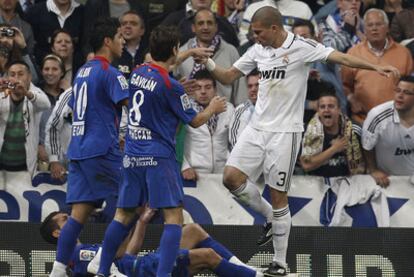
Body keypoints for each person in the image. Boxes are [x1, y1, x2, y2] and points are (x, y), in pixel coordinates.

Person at [197, 6, 399, 276]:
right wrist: (207, 61)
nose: (254, 36)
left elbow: (340, 57)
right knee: (231, 178)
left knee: (280, 195)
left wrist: (375, 66)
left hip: (285, 133)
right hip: (257, 129)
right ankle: (269, 217)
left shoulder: (302, 47)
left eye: (258, 32)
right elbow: (227, 76)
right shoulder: (258, 50)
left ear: (274, 28)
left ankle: (279, 263)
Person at [95, 25, 227, 277]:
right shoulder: (172, 85)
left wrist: (189, 53)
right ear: (174, 49)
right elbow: (196, 121)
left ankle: (102, 271)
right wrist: (212, 107)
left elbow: (162, 65)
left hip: (132, 154)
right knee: (173, 217)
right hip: (158, 156)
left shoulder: (138, 72)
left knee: (123, 215)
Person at [48, 18, 129, 277]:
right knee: (130, 205)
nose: (123, 40)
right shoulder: (110, 72)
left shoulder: (83, 71)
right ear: (107, 41)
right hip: (102, 148)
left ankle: (58, 270)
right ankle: (103, 262)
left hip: (79, 150)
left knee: (78, 214)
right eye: (118, 36)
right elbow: (134, 105)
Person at [40, 208, 264, 277]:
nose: (71, 218)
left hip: (142, 263)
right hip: (145, 272)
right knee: (208, 256)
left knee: (193, 230)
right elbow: (118, 254)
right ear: (58, 234)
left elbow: (127, 253)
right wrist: (125, 219)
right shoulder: (76, 256)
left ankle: (245, 268)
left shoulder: (85, 249)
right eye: (64, 219)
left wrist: (141, 221)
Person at [342, 8, 413, 124]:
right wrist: (352, 99)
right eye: (370, 25)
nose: (374, 28)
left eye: (378, 24)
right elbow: (344, 85)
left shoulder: (404, 53)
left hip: (397, 120)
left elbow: (411, 87)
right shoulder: (353, 53)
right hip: (362, 120)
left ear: (387, 28)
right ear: (364, 29)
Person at [175, 8, 248, 106]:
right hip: (191, 116)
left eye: (209, 23)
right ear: (193, 27)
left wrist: (241, 114)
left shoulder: (230, 51)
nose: (205, 27)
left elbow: (240, 89)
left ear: (216, 27)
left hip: (224, 115)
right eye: (201, 23)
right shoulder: (182, 53)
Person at [0, 60, 50, 189]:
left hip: (25, 162)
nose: (16, 78)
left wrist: (26, 93)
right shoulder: (2, 93)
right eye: (12, 74)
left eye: (20, 74)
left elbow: (46, 104)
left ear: (29, 76)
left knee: (22, 203)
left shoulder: (35, 92)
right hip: (2, 160)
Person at [362, 75, 414, 188]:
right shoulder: (377, 115)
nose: (400, 96)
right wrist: (373, 170)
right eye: (398, 91)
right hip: (387, 180)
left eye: (407, 93)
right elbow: (367, 146)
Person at [300, 88, 365, 177]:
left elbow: (361, 168)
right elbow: (306, 165)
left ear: (339, 110)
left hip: (347, 182)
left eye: (331, 106)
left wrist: (348, 149)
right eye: (322, 107)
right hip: (316, 185)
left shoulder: (353, 130)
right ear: (318, 111)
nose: (326, 110)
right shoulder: (307, 132)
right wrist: (334, 148)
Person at [182, 69, 234, 180]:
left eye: (208, 87)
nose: (203, 92)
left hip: (223, 175)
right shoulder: (185, 110)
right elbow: (175, 141)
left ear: (215, 90)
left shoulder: (228, 109)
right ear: (192, 90)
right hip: (194, 174)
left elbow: (235, 142)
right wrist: (184, 167)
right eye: (198, 87)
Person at [38, 54, 66, 171]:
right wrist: (37, 147)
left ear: (62, 72)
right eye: (46, 69)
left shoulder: (69, 96)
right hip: (41, 158)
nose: (50, 73)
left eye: (54, 69)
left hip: (66, 157)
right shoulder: (35, 95)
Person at [229, 69, 259, 150]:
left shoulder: (275, 109)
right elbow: (235, 144)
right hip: (248, 160)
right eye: (250, 86)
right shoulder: (241, 111)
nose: (253, 89)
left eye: (257, 85)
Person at [112, 10, 147, 79]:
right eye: (124, 24)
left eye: (133, 24)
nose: (127, 26)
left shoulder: (149, 52)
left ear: (142, 30)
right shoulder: (113, 51)